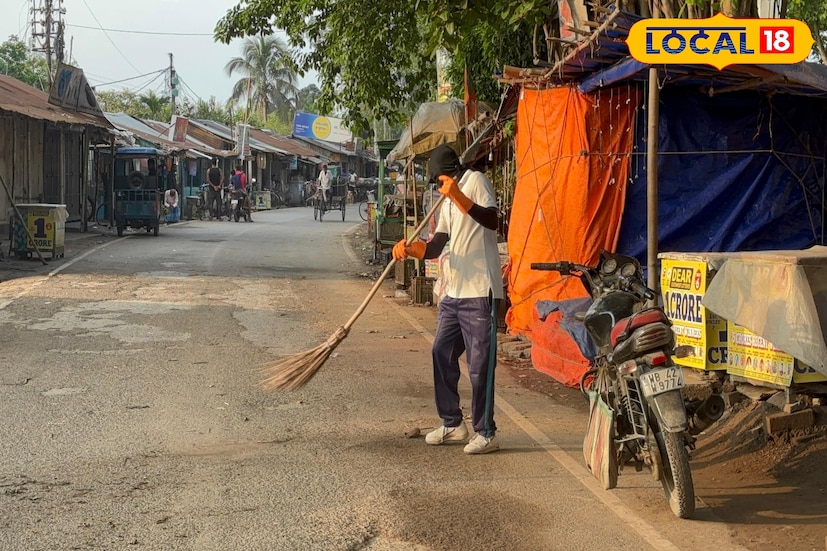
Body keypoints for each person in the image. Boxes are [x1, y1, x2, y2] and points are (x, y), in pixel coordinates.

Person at [392, 144, 503, 454]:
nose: (437, 187)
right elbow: (436, 246)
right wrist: (409, 250)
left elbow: (493, 220)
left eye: (437, 181)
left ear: (448, 173)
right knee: (441, 351)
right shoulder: (446, 199)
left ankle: (486, 431)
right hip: (454, 291)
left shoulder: (475, 182)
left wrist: (458, 195)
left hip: (481, 290)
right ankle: (453, 423)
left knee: (480, 366)